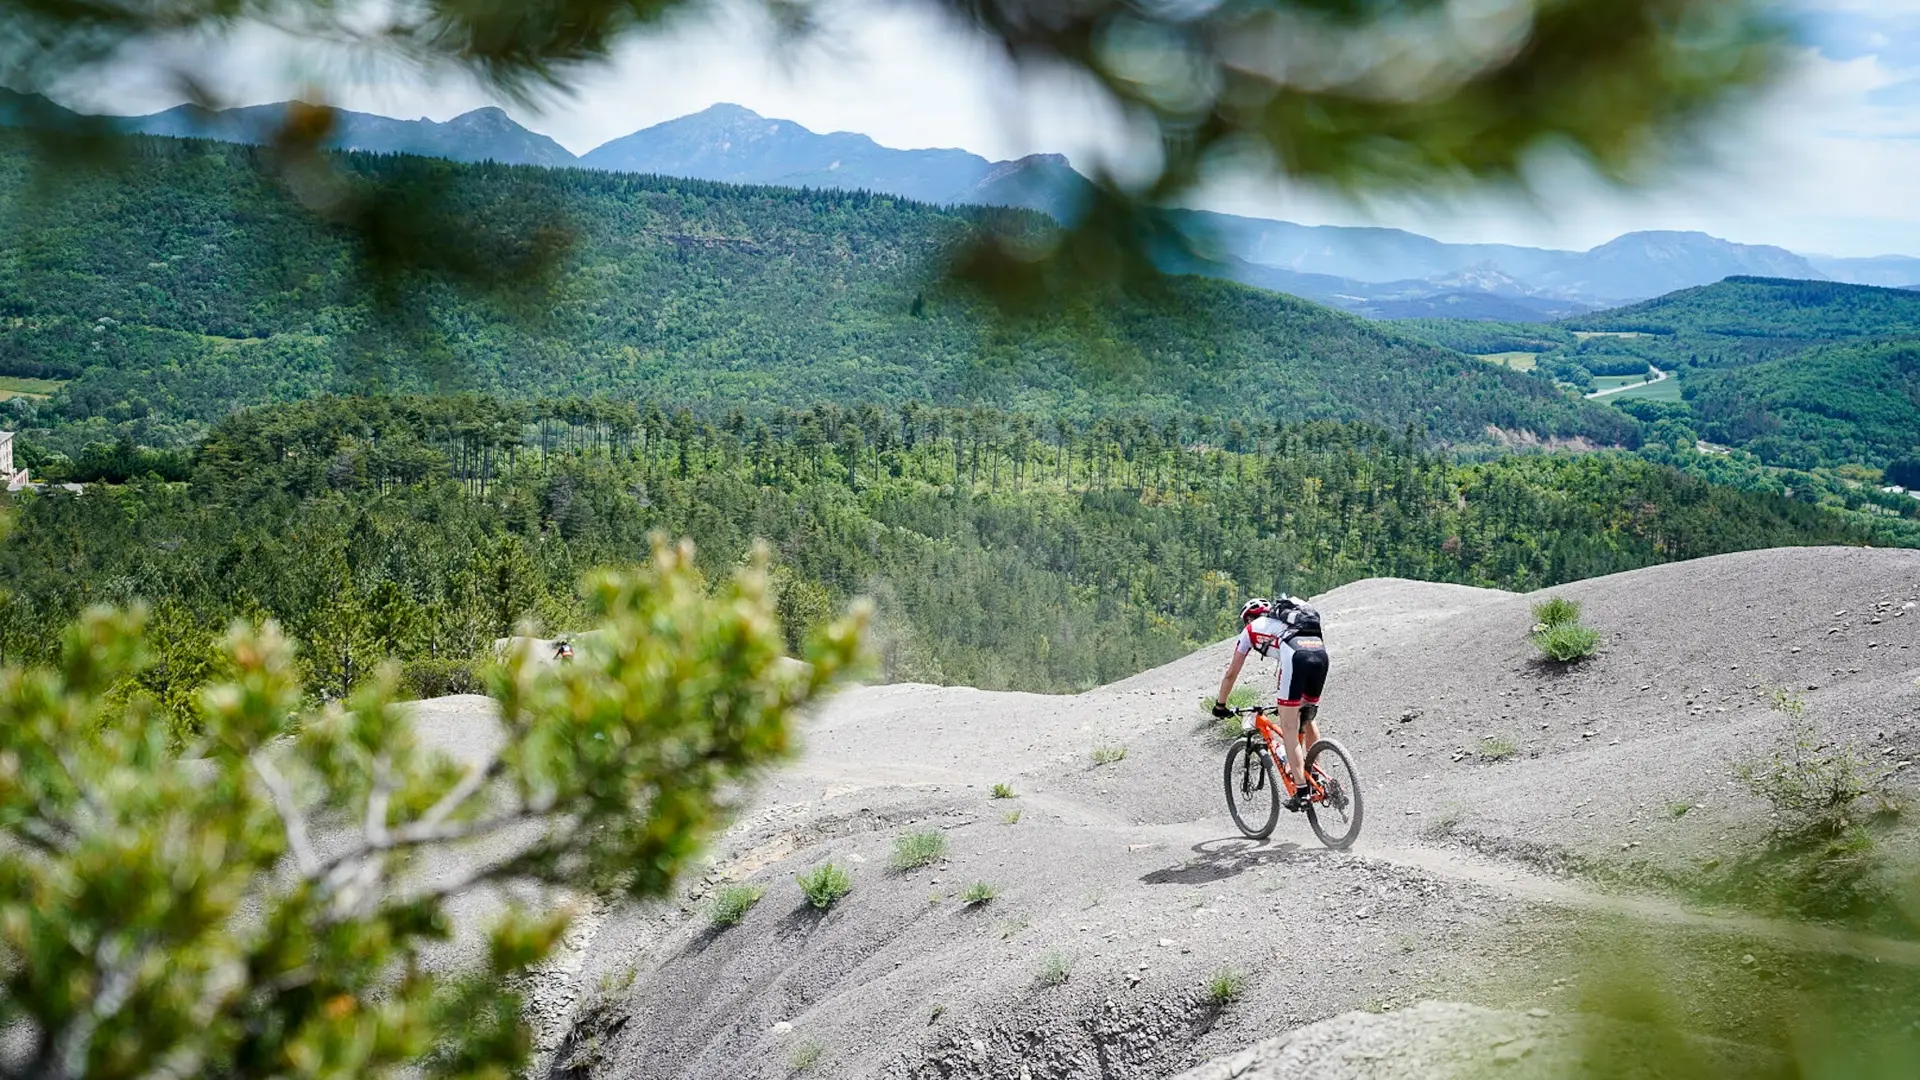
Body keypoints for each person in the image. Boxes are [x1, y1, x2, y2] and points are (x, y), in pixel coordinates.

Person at [1212, 596, 1329, 811]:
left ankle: (1301, 792)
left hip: (1296, 657)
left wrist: (1220, 705)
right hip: (1320, 654)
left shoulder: (1251, 630)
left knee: (1289, 728)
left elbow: (1231, 674)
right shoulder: (1286, 625)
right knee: (1307, 716)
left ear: (1247, 619)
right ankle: (1317, 775)